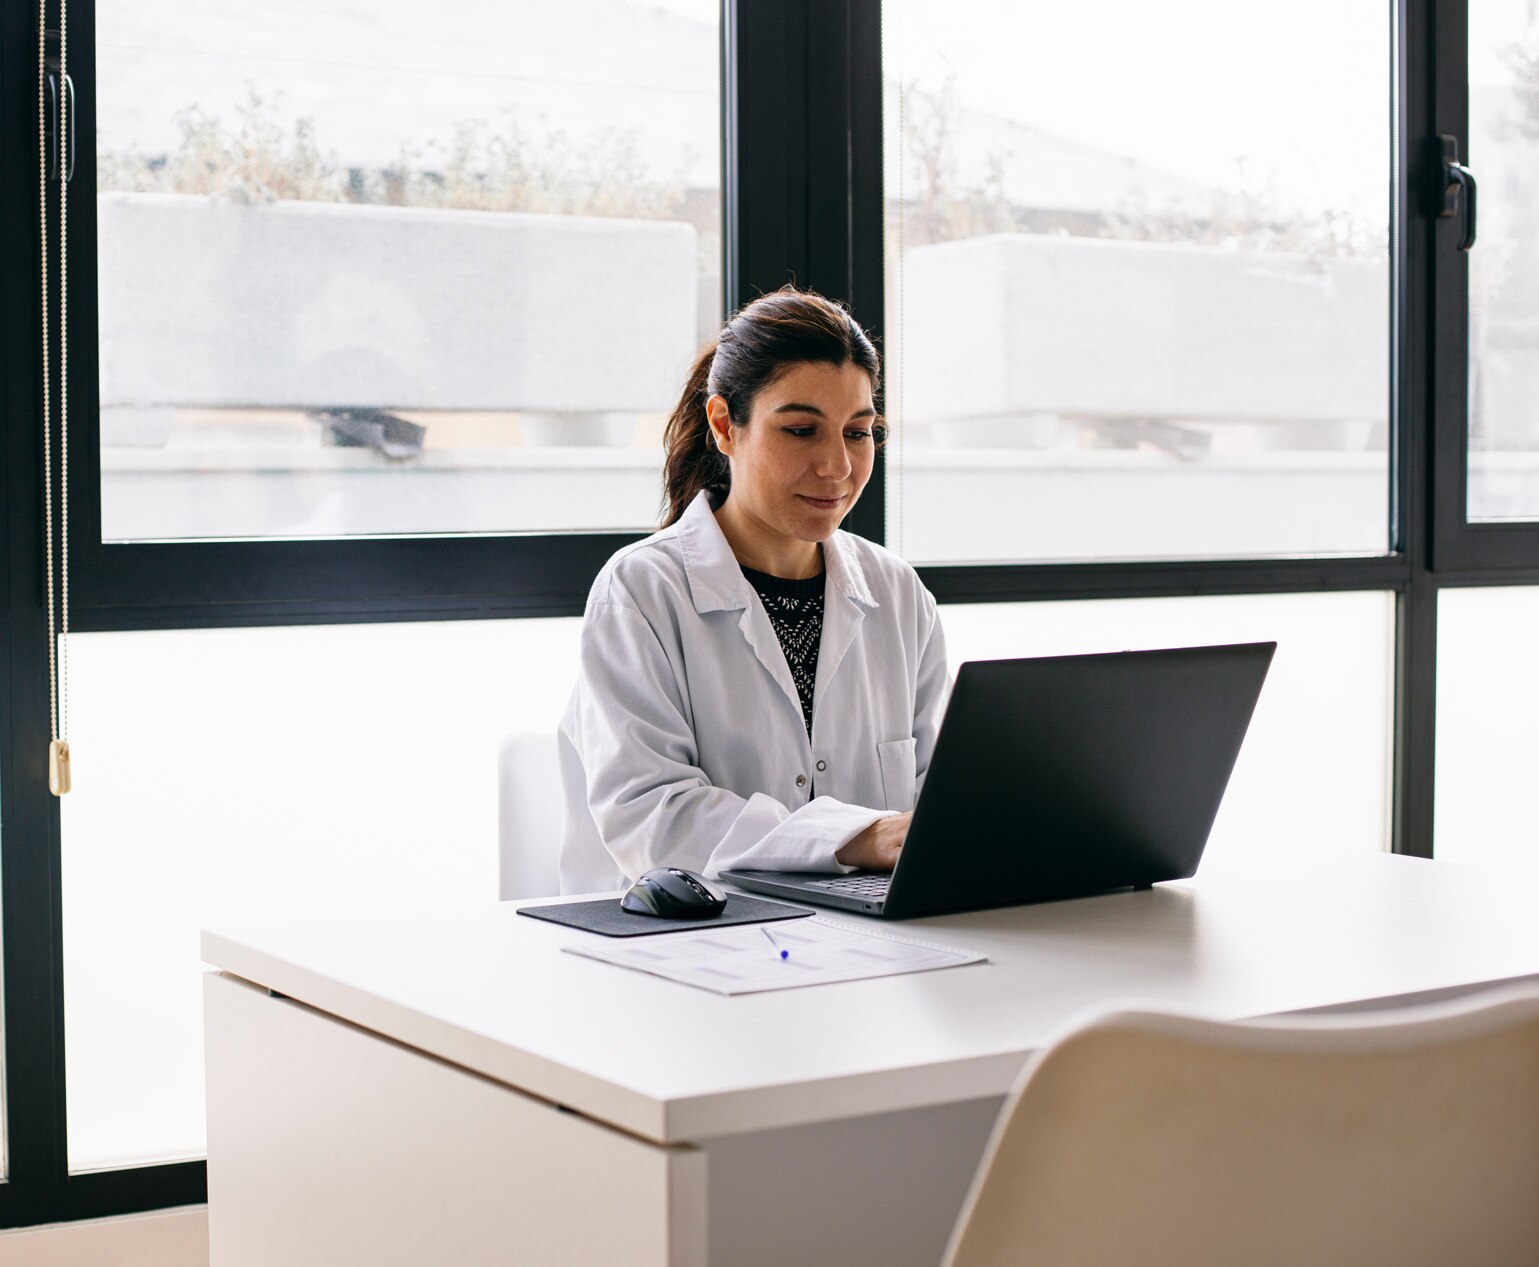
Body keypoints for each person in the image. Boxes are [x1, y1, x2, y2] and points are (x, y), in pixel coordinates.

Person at [557, 287, 950, 893]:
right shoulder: (642, 590)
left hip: (865, 944)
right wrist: (854, 838)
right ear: (724, 426)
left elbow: (942, 801)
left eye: (858, 432)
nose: (837, 467)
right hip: (684, 946)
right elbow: (651, 817)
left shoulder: (897, 593)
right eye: (800, 430)